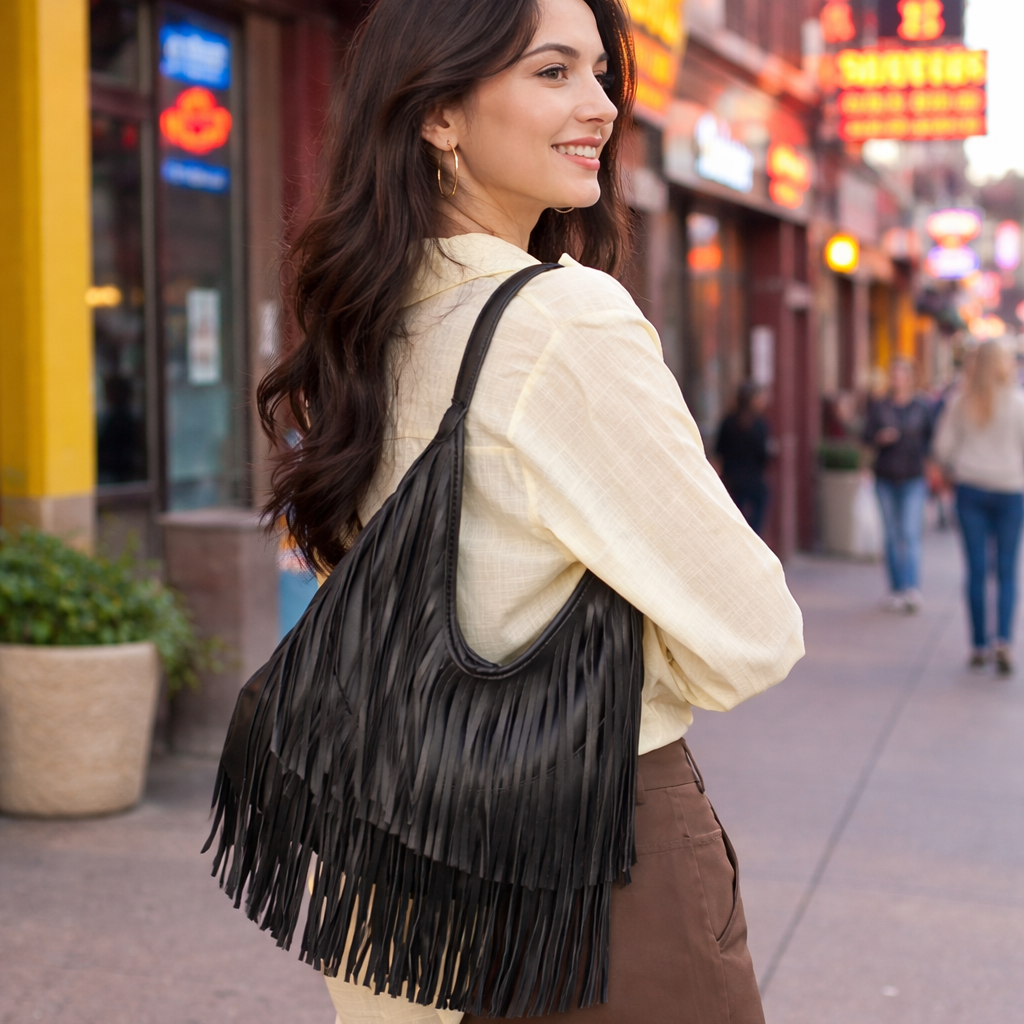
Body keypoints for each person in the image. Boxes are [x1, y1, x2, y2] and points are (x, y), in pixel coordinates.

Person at [256, 1, 804, 1020]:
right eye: (552, 72)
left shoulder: (366, 319)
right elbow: (754, 633)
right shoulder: (562, 317)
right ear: (439, 114)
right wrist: (604, 658)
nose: (598, 105)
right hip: (593, 864)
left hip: (389, 863)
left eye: (600, 72)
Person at [934, 339, 1024, 675]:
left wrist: (958, 464)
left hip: (971, 489)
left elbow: (943, 449)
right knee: (1006, 571)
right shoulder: (1018, 403)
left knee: (975, 570)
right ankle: (1003, 640)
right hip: (1010, 490)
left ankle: (978, 644)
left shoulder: (961, 403)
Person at [862, 359, 934, 612]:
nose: (897, 380)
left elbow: (931, 441)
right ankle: (895, 588)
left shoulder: (921, 407)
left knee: (909, 532)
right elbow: (866, 436)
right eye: (894, 375)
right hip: (885, 476)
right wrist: (879, 438)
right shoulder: (880, 406)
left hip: (913, 476)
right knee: (891, 535)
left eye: (902, 375)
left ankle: (911, 588)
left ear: (910, 378)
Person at [714, 381, 773, 535]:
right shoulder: (760, 424)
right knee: (756, 522)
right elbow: (763, 454)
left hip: (732, 481)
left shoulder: (728, 422)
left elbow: (719, 450)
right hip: (754, 481)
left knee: (735, 521)